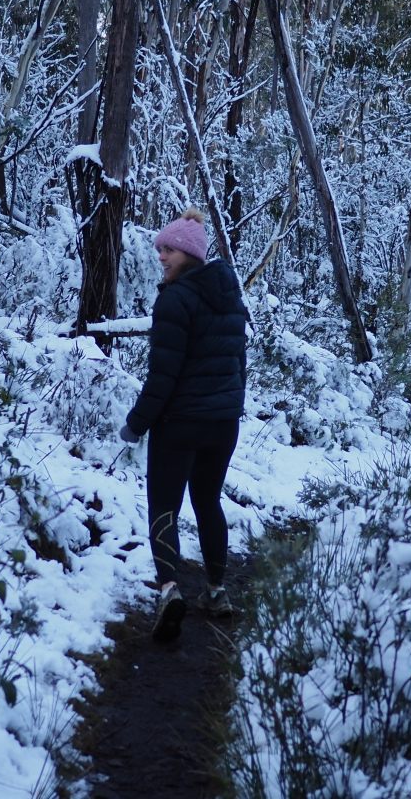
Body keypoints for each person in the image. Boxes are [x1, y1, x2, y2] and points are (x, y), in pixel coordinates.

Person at [118, 209, 248, 642]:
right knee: (208, 501)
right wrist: (230, 408)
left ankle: (170, 589)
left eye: (168, 250)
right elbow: (237, 367)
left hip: (180, 424)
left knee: (164, 506)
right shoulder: (230, 297)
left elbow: (163, 377)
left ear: (189, 254)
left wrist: (137, 423)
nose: (161, 257)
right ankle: (216, 591)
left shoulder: (174, 300)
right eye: (159, 249)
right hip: (222, 424)